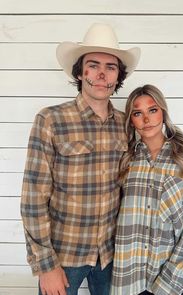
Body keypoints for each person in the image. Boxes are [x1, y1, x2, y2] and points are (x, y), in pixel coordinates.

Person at [20, 23, 140, 295]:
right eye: (93, 64)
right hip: (64, 257)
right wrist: (45, 265)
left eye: (110, 67)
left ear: (117, 77)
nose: (101, 74)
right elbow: (33, 198)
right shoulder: (51, 119)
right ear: (80, 71)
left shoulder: (126, 124)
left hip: (111, 257)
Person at [111, 84, 183, 295]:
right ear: (131, 120)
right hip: (129, 279)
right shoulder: (124, 159)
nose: (146, 119)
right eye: (138, 113)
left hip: (173, 280)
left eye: (153, 110)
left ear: (163, 112)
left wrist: (170, 283)